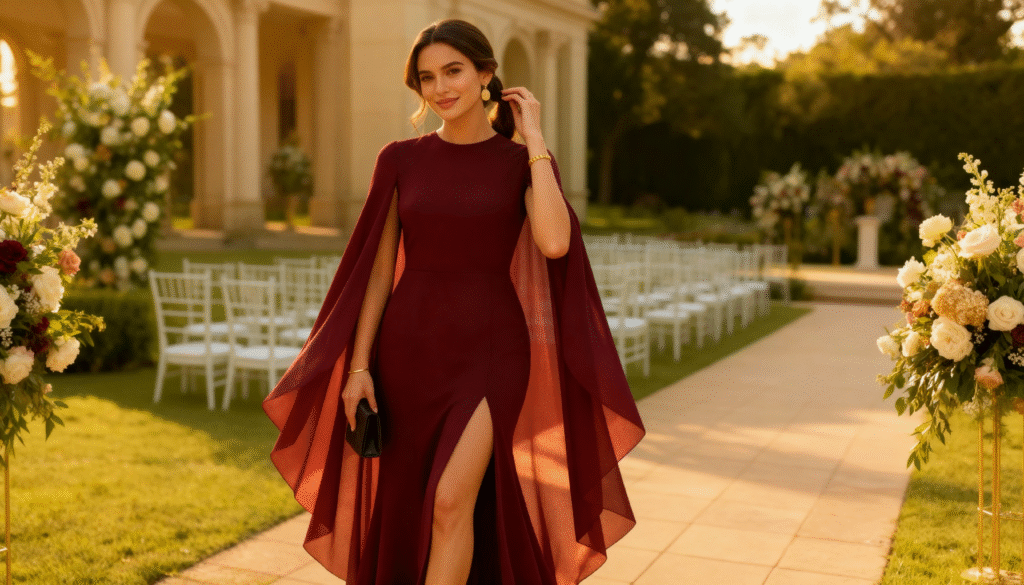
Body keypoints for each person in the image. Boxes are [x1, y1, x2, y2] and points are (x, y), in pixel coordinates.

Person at [263, 18, 645, 585]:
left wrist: (534, 137)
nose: (441, 88)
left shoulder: (522, 164)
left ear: (486, 75)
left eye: (454, 71)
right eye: (427, 77)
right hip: (408, 353)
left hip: (492, 353)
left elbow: (555, 240)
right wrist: (360, 368)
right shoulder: (399, 159)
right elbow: (375, 275)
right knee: (409, 504)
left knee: (449, 500)